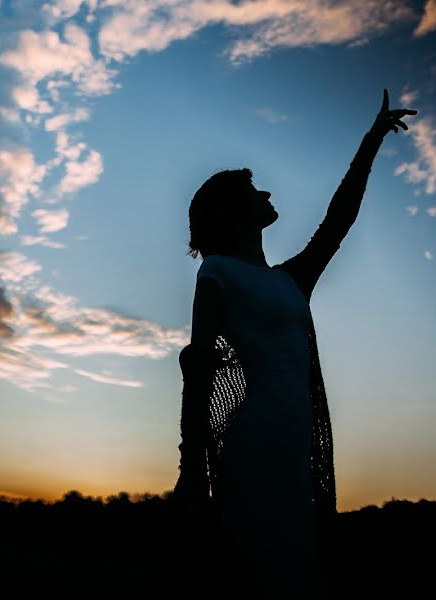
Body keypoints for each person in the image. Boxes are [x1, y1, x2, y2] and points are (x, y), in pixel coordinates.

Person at [173, 89, 416, 598]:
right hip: (255, 442)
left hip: (295, 444)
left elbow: (339, 220)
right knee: (258, 575)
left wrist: (371, 142)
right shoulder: (217, 273)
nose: (266, 196)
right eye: (255, 192)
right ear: (234, 211)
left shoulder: (291, 280)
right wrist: (192, 469)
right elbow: (199, 368)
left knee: (299, 574)